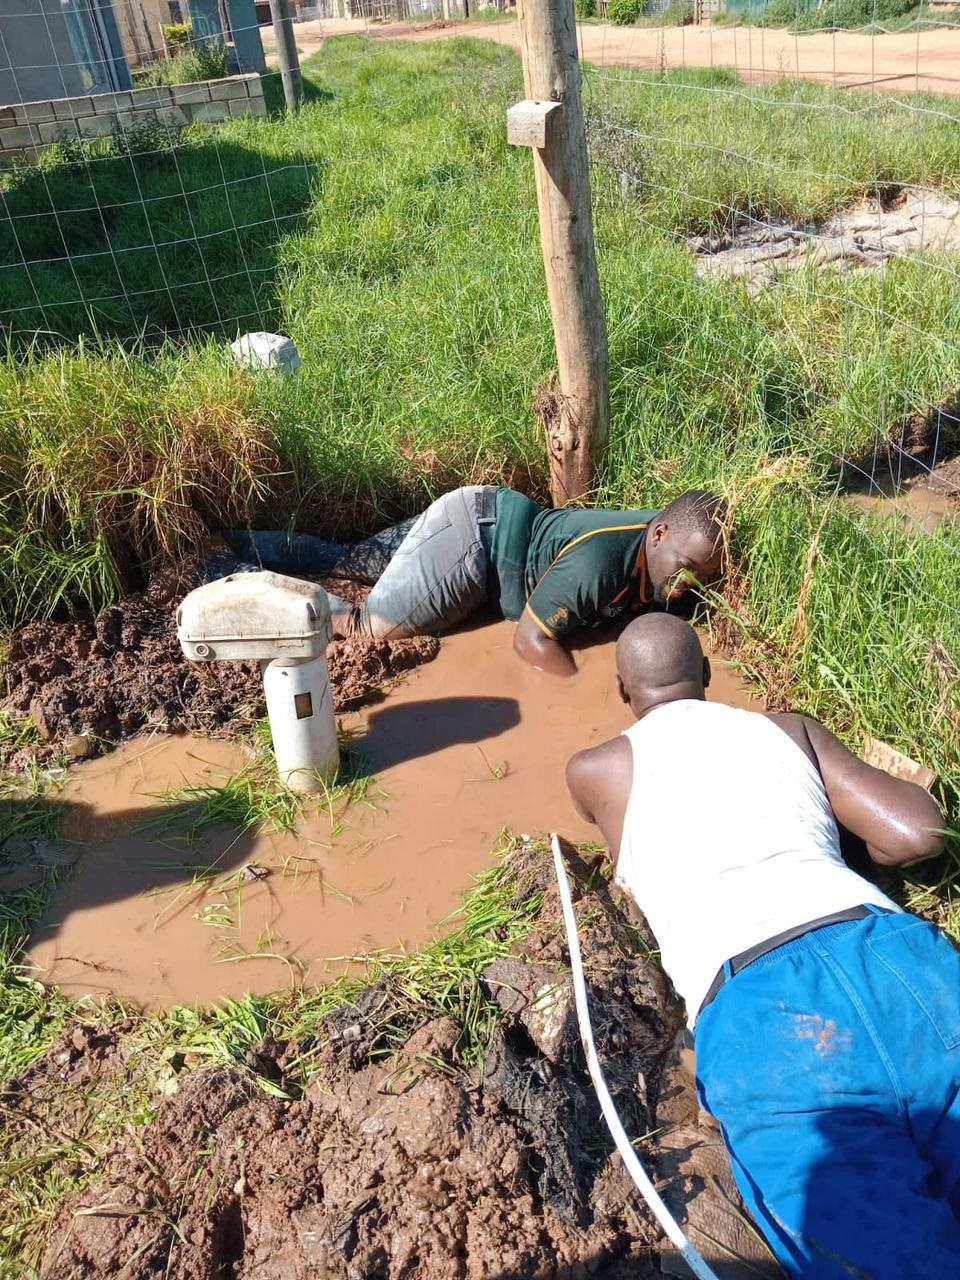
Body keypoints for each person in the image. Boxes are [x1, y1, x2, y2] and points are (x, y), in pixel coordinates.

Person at [565, 613, 957, 1279]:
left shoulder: (595, 769)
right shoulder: (787, 728)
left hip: (765, 1014)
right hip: (896, 955)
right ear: (710, 676)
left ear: (621, 690)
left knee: (882, 1254)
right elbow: (918, 834)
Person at [226, 486, 725, 676]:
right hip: (474, 544)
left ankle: (233, 541)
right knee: (366, 627)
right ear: (657, 533)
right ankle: (231, 578)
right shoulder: (602, 561)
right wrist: (577, 685)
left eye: (704, 575)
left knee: (346, 559)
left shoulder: (665, 561)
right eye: (687, 565)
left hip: (480, 520)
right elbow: (530, 640)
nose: (691, 581)